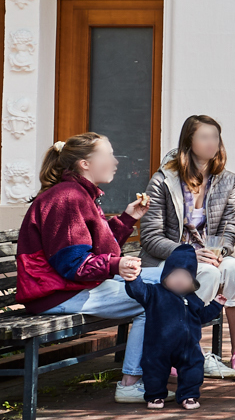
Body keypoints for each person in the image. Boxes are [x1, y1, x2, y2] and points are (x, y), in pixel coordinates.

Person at [17, 133, 153, 401]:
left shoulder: (79, 194)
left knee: (175, 280)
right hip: (57, 294)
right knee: (155, 299)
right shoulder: (68, 197)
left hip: (72, 288)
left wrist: (127, 218)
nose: (115, 161)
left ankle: (161, 365)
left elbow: (96, 248)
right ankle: (131, 383)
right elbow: (73, 264)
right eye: (108, 154)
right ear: (85, 164)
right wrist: (116, 265)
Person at [141, 115, 235, 381]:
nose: (211, 143)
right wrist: (189, 254)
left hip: (208, 256)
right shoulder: (164, 180)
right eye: (204, 137)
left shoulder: (228, 181)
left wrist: (221, 252)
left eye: (215, 137)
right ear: (188, 142)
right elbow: (150, 237)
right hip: (170, 259)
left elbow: (229, 228)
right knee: (208, 275)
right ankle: (186, 350)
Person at [129, 245, 224, 410]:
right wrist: (133, 277)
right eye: (175, 275)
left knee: (193, 371)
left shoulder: (193, 299)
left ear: (193, 281)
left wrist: (216, 305)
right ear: (165, 276)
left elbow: (202, 316)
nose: (180, 280)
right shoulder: (154, 293)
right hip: (158, 347)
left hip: (189, 348)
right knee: (154, 372)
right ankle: (155, 396)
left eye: (185, 276)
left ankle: (189, 396)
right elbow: (137, 291)